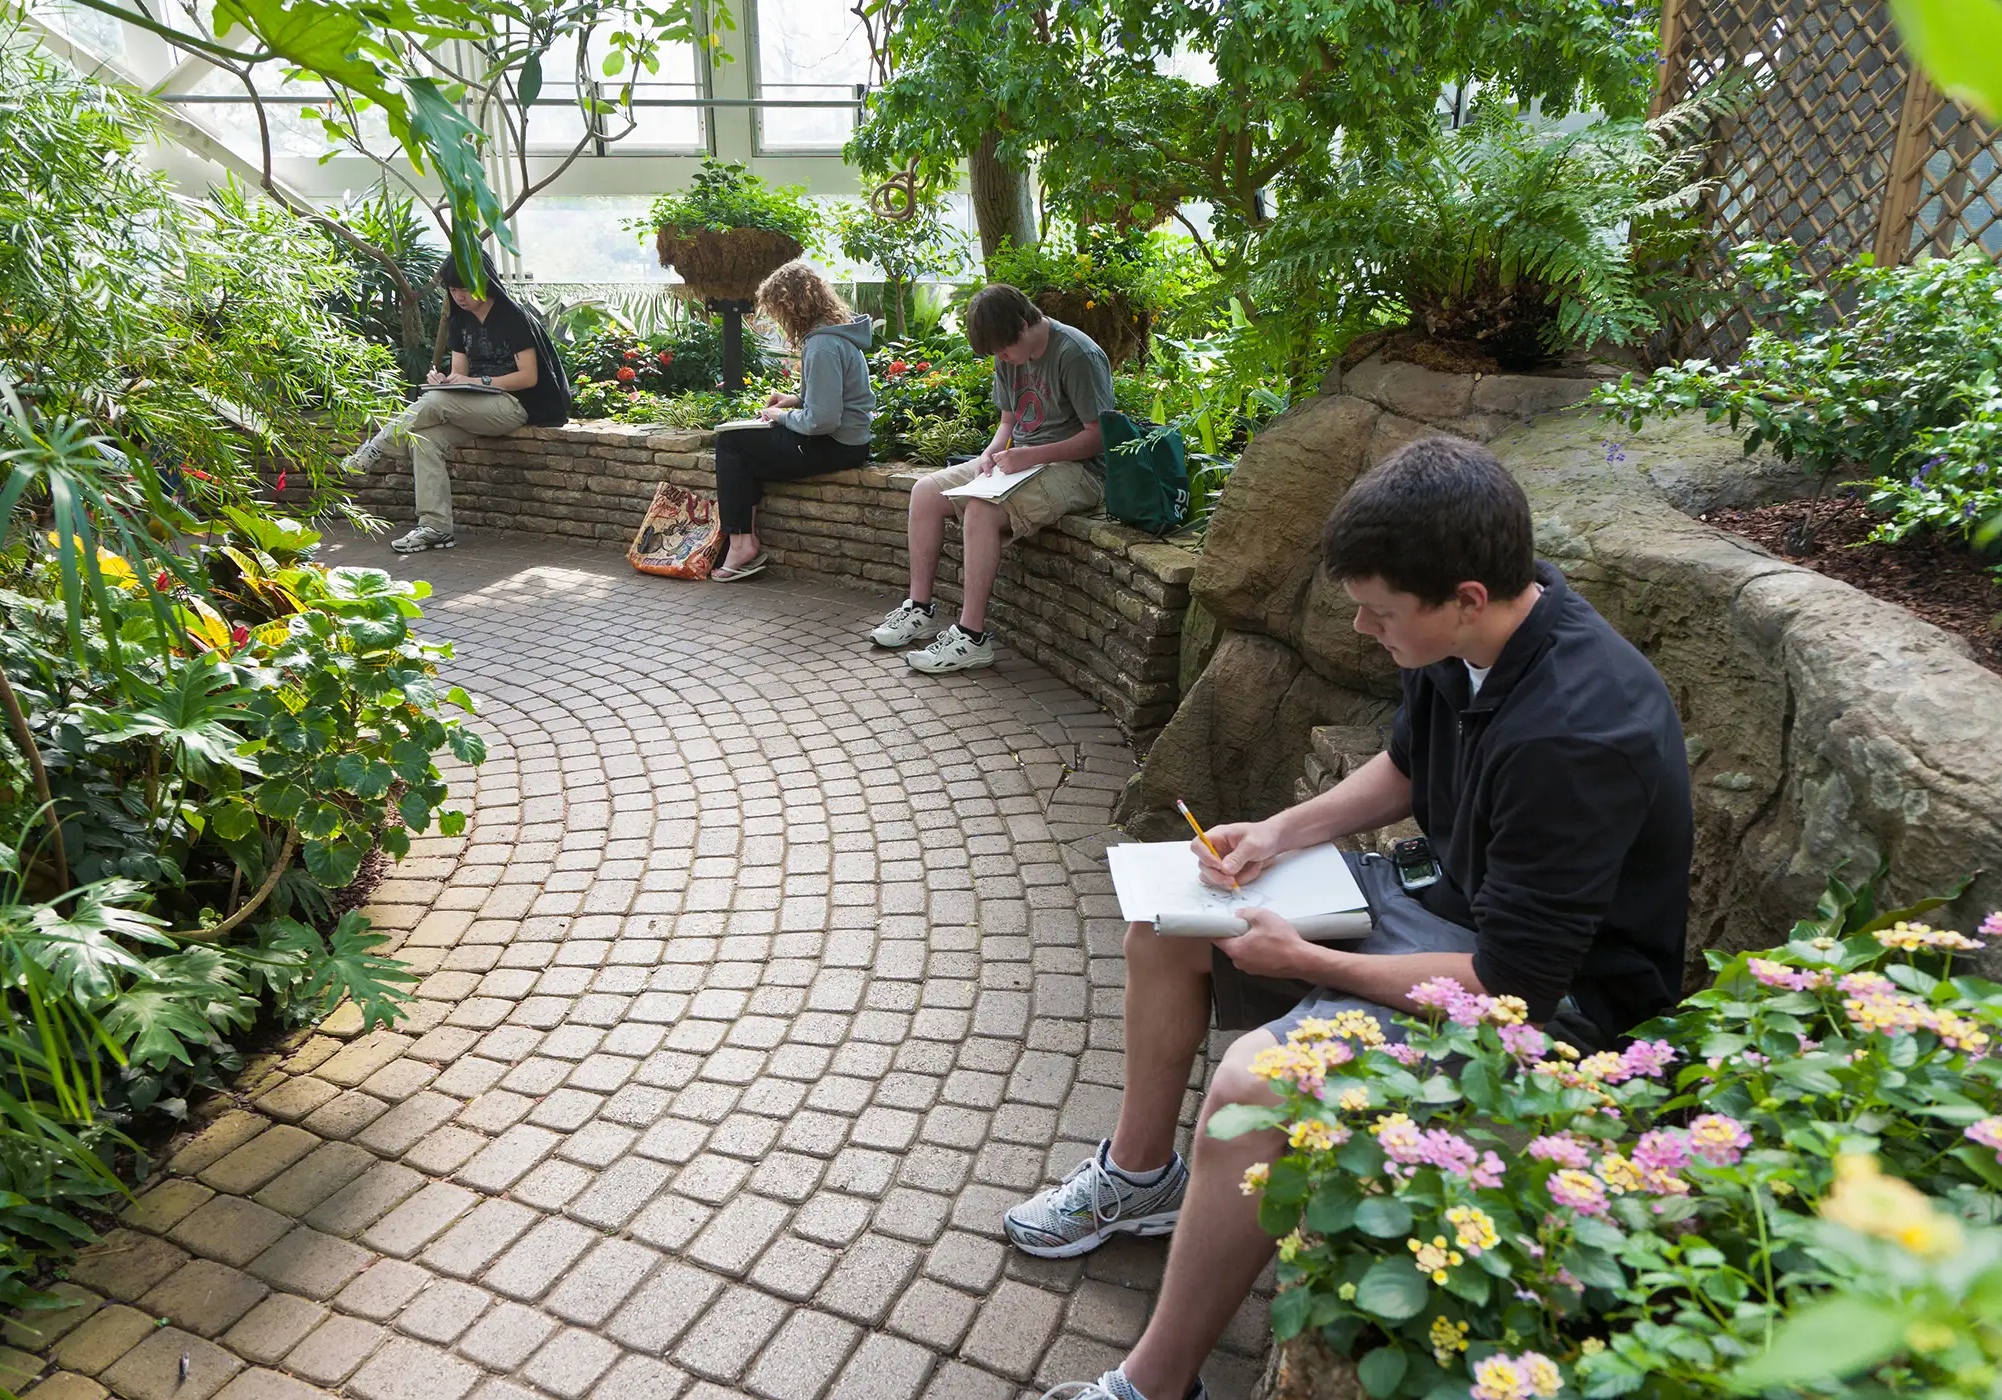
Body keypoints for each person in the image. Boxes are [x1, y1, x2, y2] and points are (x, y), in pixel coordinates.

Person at [1023, 436, 1696, 1400]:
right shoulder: (1472, 632)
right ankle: (1139, 1180)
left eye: (1379, 612)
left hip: (1555, 1007)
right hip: (1443, 912)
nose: (1360, 625)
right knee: (1171, 921)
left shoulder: (1575, 733)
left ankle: (1156, 1385)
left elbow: (1512, 987)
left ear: (1465, 594)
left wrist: (1308, 959)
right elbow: (1409, 769)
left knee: (1255, 1086)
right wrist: (1280, 833)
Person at [867, 284, 1113, 672]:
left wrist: (1029, 455)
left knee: (981, 510)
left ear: (1023, 323)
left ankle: (971, 637)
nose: (1002, 358)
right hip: (1021, 462)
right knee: (925, 491)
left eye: (1003, 349)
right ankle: (920, 610)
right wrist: (989, 454)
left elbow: (1098, 437)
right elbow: (1008, 421)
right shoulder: (1008, 354)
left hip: (1079, 471)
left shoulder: (1076, 354)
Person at [346, 253, 552, 554]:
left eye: (464, 289)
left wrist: (480, 383)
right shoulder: (460, 321)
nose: (459, 296)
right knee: (423, 440)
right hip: (474, 406)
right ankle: (435, 528)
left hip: (511, 406)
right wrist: (445, 380)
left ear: (484, 283)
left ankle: (376, 448)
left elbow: (529, 377)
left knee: (436, 402)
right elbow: (460, 375)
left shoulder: (513, 317)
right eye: (453, 290)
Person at [711, 261, 876, 582]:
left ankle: (742, 543)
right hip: (849, 442)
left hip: (836, 445)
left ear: (793, 306)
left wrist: (780, 415)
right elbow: (834, 397)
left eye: (777, 311)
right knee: (744, 451)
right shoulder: (834, 334)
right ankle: (744, 540)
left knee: (730, 444)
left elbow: (822, 421)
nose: (778, 319)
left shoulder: (822, 345)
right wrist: (795, 400)